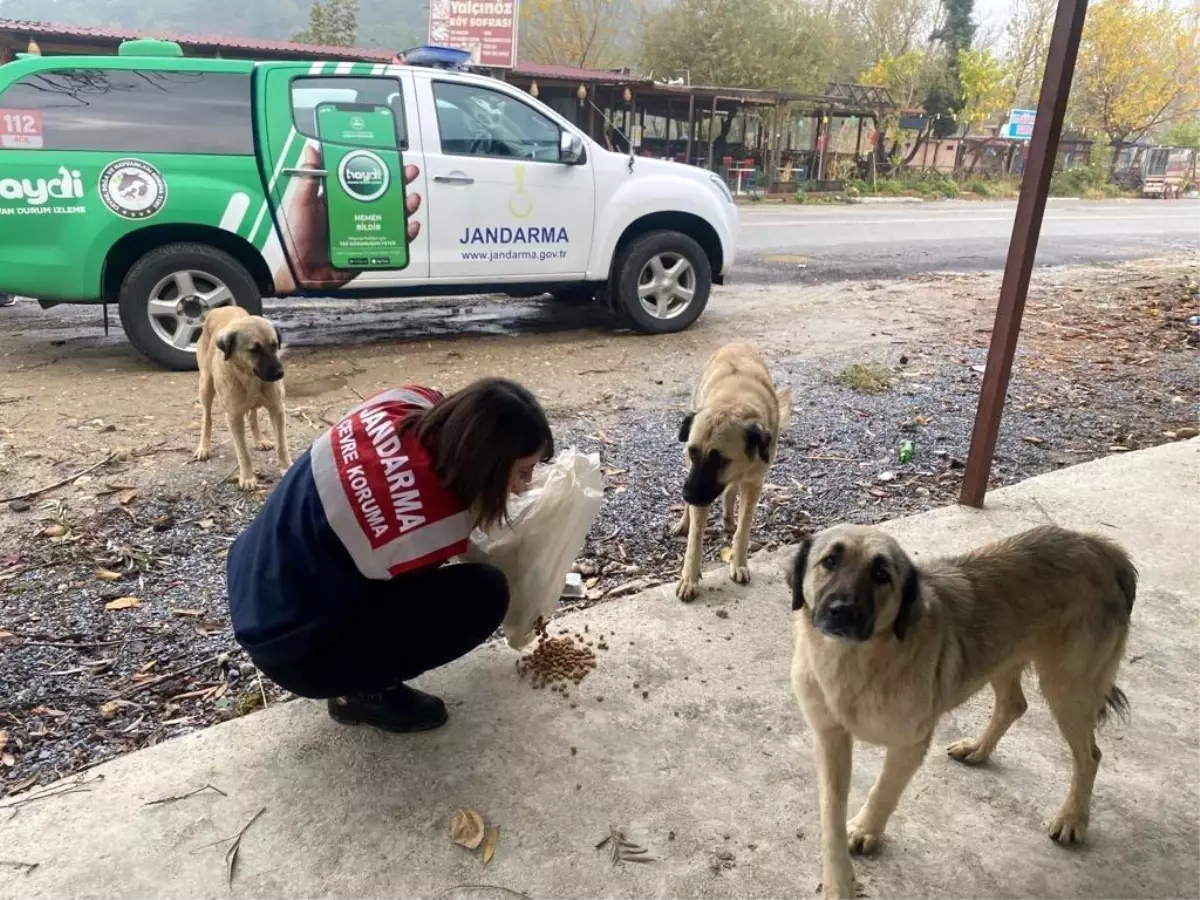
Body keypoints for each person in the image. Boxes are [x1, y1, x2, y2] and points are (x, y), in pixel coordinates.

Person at [226, 378, 554, 733]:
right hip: (292, 651)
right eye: (521, 473)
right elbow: (420, 591)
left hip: (253, 577)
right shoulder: (432, 523)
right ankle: (359, 695)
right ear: (487, 464)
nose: (523, 486)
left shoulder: (409, 399)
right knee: (483, 595)